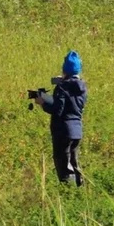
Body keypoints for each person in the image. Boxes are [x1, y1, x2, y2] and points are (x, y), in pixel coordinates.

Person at [33, 50, 87, 186]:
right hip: (77, 131)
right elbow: (70, 104)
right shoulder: (82, 88)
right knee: (74, 163)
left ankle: (68, 193)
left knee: (64, 166)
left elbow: (58, 109)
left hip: (63, 131)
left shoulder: (62, 87)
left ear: (64, 70)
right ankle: (80, 192)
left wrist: (43, 102)